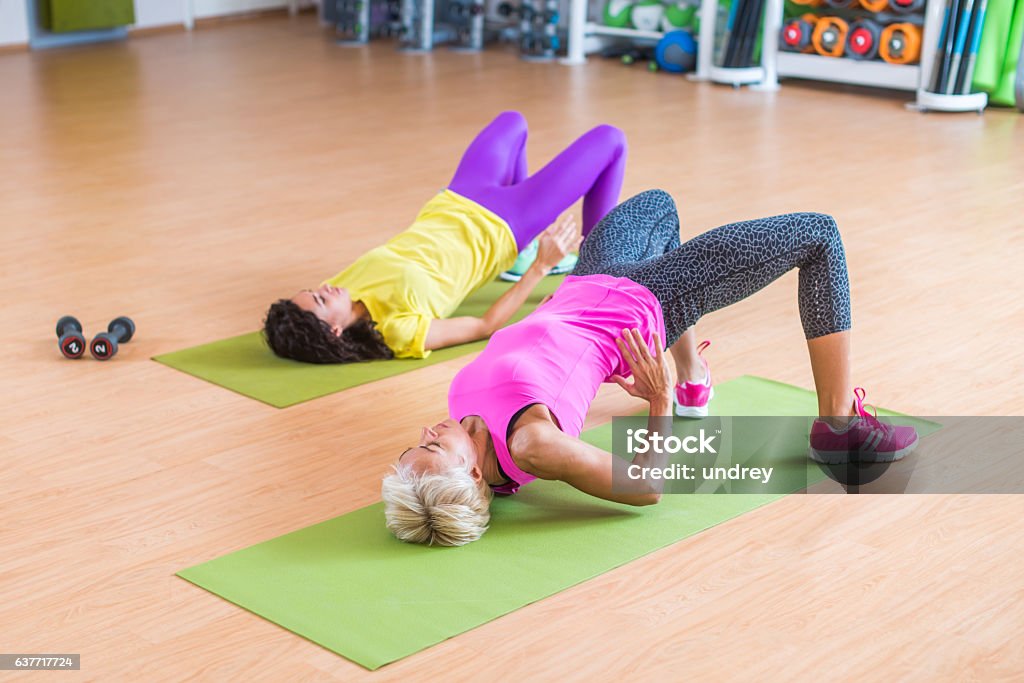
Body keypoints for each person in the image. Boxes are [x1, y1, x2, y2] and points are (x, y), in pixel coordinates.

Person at [381, 189, 920, 546]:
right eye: (432, 446)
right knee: (819, 235)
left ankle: (693, 377)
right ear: (474, 471)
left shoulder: (464, 421)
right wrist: (657, 401)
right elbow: (645, 488)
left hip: (586, 281)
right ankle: (839, 428)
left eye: (416, 443)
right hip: (649, 300)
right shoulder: (529, 445)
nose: (427, 431)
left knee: (658, 207)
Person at [263, 111, 628, 363]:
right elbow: (485, 326)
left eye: (315, 289)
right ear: (337, 332)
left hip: (455, 197)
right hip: (503, 225)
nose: (326, 287)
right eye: (321, 300)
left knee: (513, 124)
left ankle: (535, 248)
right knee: (610, 140)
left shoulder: (342, 289)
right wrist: (540, 266)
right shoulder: (397, 332)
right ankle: (596, 273)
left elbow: (325, 300)